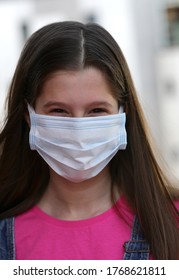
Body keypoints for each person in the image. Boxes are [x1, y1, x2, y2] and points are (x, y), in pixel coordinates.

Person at [0, 21, 178, 260]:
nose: (78, 129)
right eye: (59, 111)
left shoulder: (171, 221)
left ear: (123, 113)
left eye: (96, 110)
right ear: (28, 115)